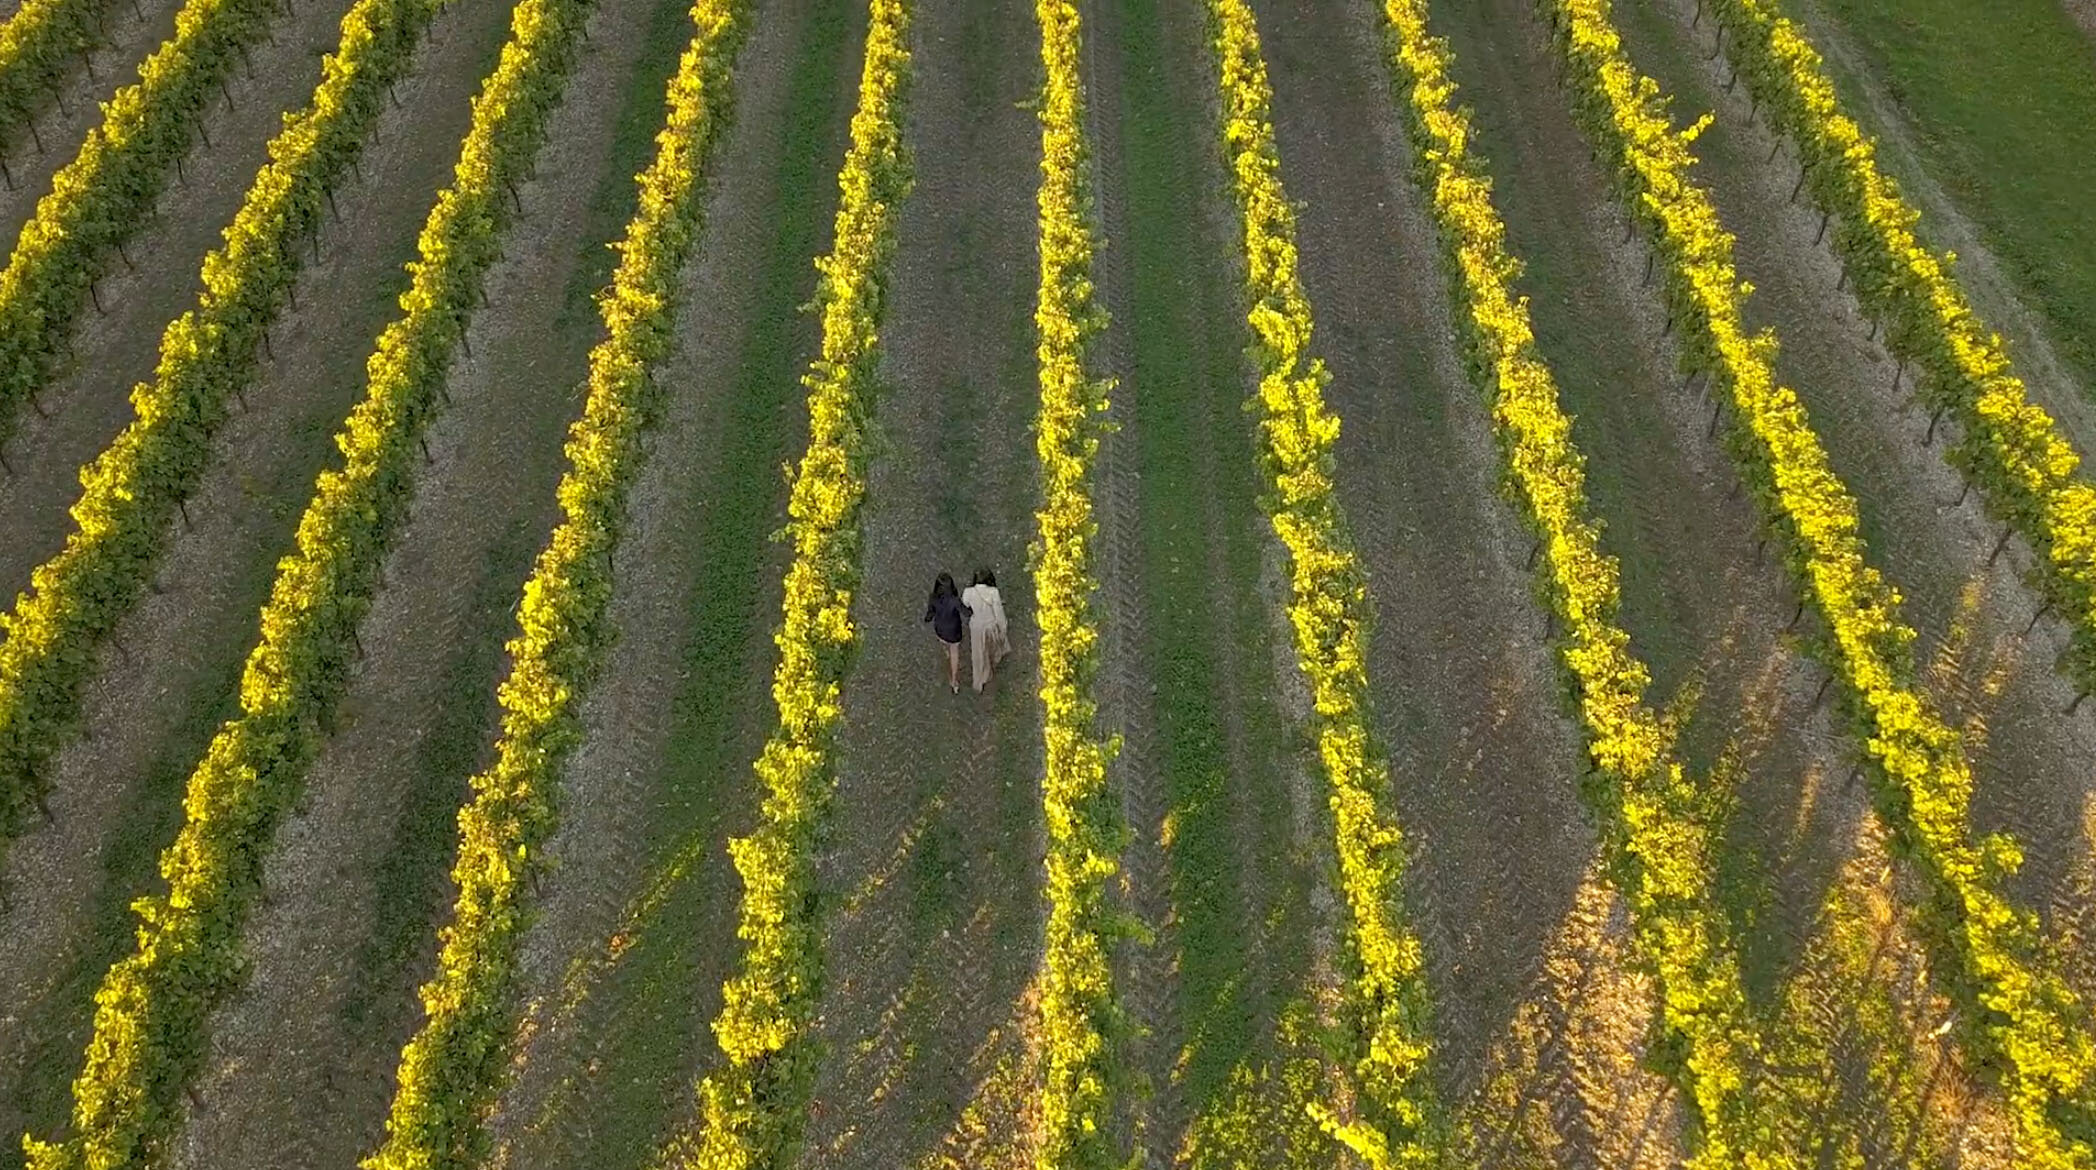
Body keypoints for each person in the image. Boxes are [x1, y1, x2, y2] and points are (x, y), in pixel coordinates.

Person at [961, 568, 1011, 693]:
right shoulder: (993, 592)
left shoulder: (968, 592)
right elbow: (999, 613)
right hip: (991, 626)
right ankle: (990, 668)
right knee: (992, 649)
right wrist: (1003, 628)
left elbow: (964, 605)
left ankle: (979, 680)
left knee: (978, 654)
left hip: (977, 627)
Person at [925, 572, 970, 693]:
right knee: (954, 652)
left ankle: (946, 653)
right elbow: (967, 613)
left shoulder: (933, 598)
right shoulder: (954, 600)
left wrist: (927, 618)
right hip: (954, 631)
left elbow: (930, 615)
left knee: (944, 644)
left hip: (940, 629)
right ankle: (954, 681)